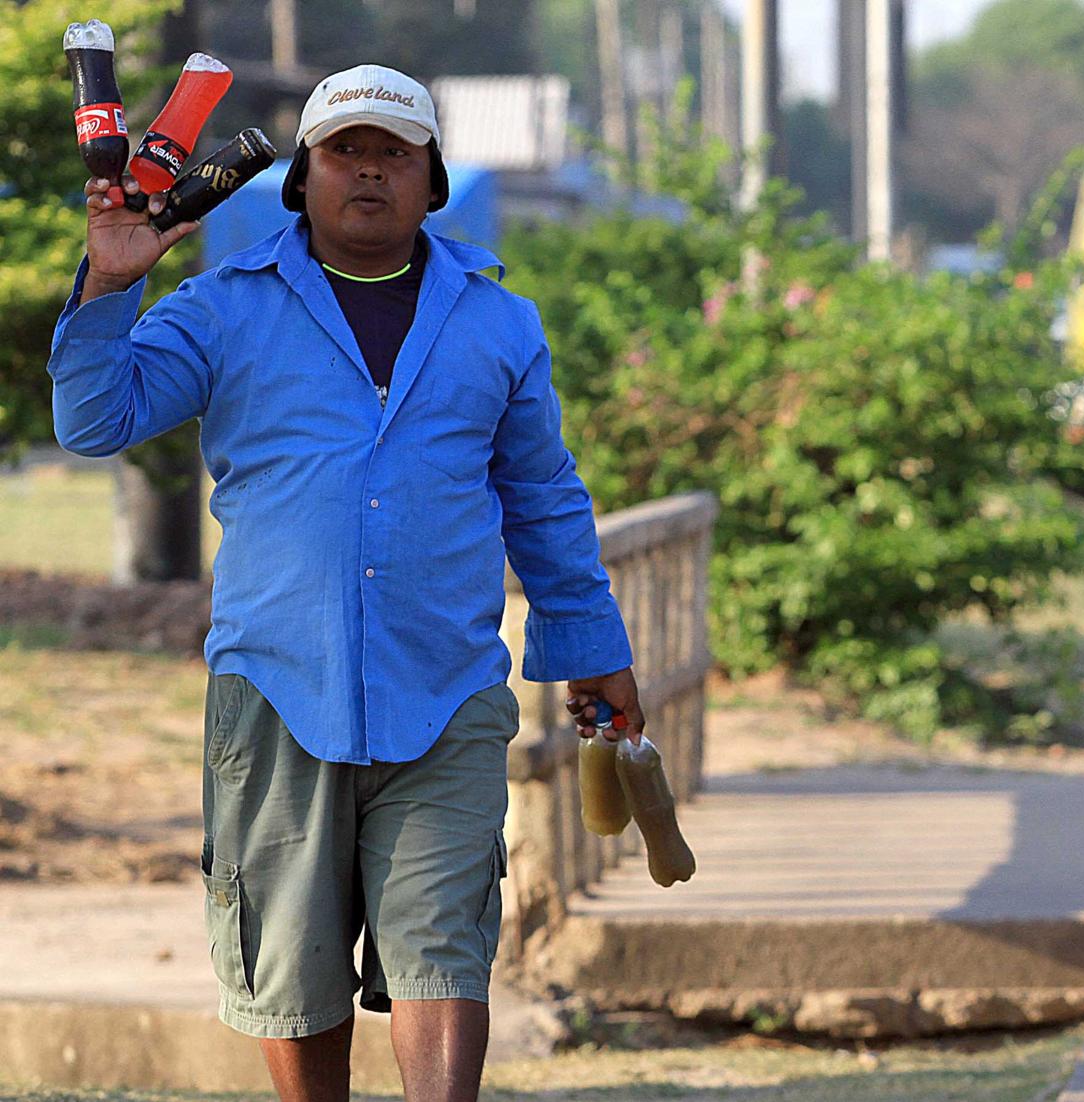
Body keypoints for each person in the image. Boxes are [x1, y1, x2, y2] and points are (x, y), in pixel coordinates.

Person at [47, 64, 643, 1101]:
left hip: (445, 687)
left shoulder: (498, 323)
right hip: (277, 686)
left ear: (432, 178)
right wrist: (109, 281)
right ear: (302, 177)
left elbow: (545, 498)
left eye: (394, 153)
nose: (368, 170)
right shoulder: (225, 310)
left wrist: (593, 654)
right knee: (291, 961)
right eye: (343, 151)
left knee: (442, 937)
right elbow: (95, 421)